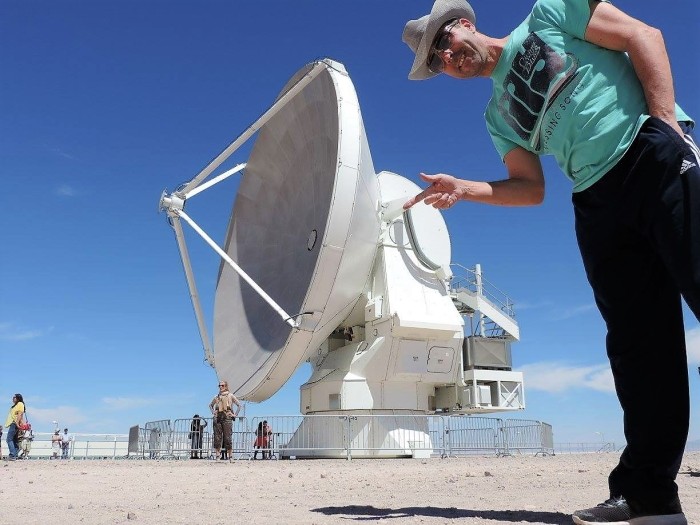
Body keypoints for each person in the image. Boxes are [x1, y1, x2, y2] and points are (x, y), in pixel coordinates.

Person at [402, 1, 697, 524]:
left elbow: (643, 36)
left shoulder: (549, 14)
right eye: (439, 61)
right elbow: (531, 189)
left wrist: (666, 126)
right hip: (595, 201)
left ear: (465, 24)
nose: (449, 56)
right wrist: (466, 189)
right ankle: (648, 497)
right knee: (638, 348)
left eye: (446, 43)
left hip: (647, 150)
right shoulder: (497, 117)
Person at [208, 380, 241, 462]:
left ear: (226, 386)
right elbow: (210, 405)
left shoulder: (230, 395)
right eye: (219, 385)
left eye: (222, 385)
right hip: (218, 417)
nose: (220, 387)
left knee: (228, 437)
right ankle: (218, 456)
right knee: (217, 437)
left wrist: (235, 415)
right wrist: (213, 413)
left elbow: (239, 405)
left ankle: (230, 456)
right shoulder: (216, 397)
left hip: (227, 417)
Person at [4, 394, 25, 461]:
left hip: (15, 423)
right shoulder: (14, 406)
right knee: (14, 440)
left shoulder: (20, 404)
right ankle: (15, 455)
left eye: (14, 397)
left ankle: (12, 455)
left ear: (18, 398)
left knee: (9, 439)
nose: (13, 398)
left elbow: (20, 414)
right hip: (13, 423)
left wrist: (18, 424)